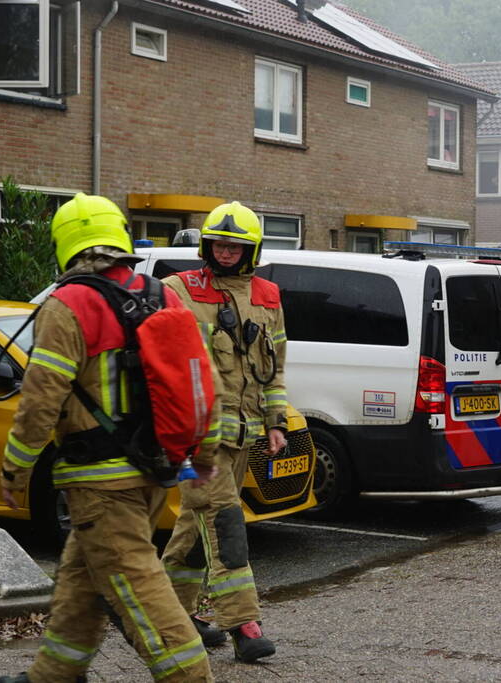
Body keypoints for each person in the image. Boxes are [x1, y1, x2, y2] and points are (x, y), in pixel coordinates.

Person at [0, 193, 217, 683]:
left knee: (141, 592)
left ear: (66, 244)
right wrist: (203, 453)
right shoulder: (162, 294)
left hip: (100, 483)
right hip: (153, 472)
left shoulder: (68, 304)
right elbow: (202, 381)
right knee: (80, 584)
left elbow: (40, 398)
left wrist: (15, 468)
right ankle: (51, 677)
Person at [160, 201, 288, 663]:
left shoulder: (269, 297)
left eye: (236, 245)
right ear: (206, 245)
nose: (226, 251)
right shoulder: (176, 290)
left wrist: (275, 422)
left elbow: (273, 371)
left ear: (251, 249)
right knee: (225, 523)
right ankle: (243, 624)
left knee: (193, 529)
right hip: (197, 440)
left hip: (243, 434)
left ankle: (176, 618)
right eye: (218, 243)